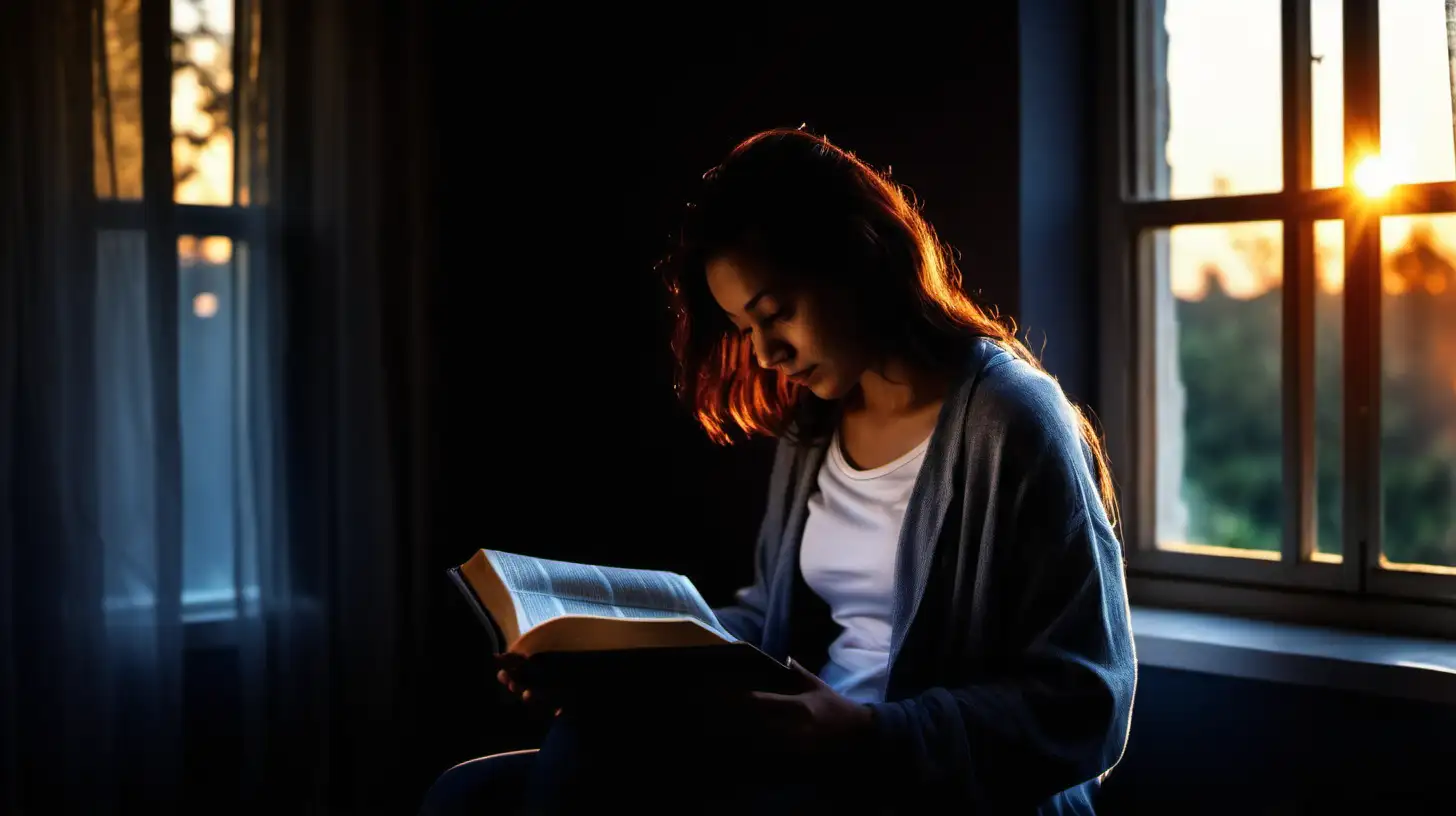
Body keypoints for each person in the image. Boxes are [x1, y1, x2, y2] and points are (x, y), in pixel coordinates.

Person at [419, 128, 1136, 815]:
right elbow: (770, 622)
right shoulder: (815, 427)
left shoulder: (1012, 420)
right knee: (468, 792)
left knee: (576, 768)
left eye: (777, 312)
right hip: (801, 754)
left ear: (857, 258)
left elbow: (1086, 701)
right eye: (743, 328)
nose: (765, 353)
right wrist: (599, 664)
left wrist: (868, 733)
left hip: (898, 777)